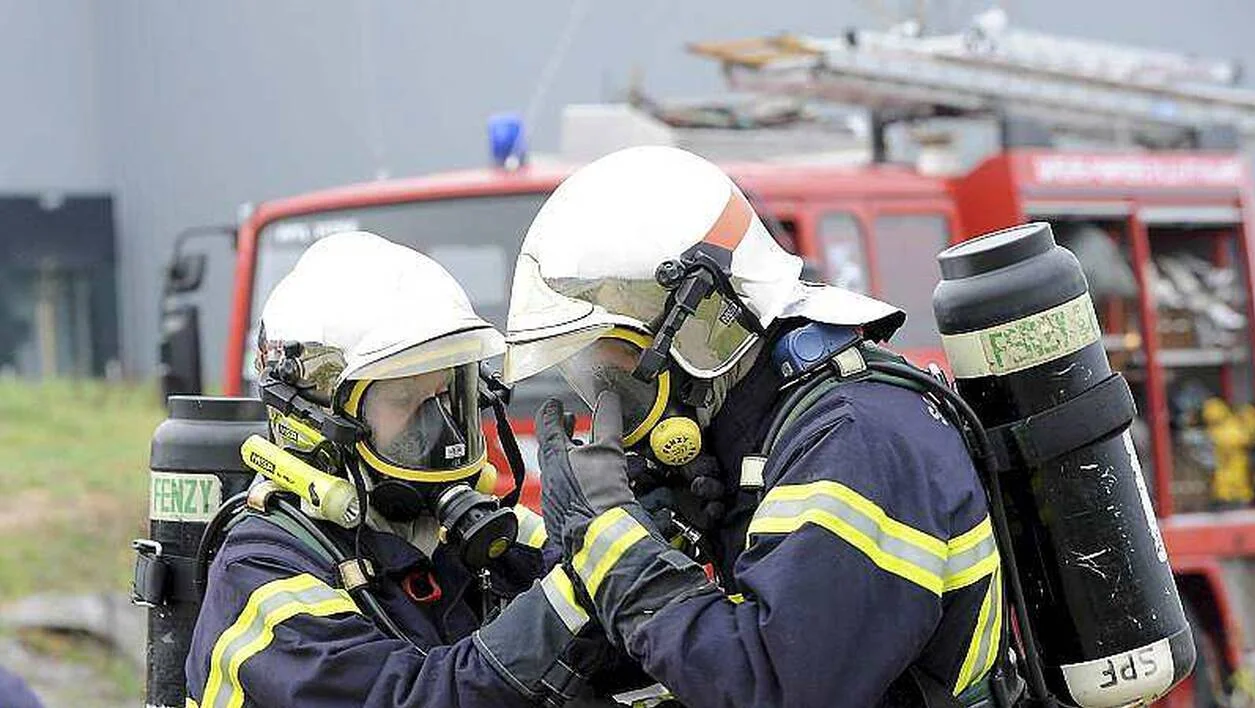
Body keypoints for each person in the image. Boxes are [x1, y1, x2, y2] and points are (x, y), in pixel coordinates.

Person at [502, 146, 1004, 707]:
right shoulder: (752, 433)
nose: (605, 399)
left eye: (612, 359)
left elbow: (775, 687)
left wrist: (615, 544)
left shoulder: (855, 442)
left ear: (703, 325)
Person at [185, 231, 613, 708]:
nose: (443, 429)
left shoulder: (457, 530)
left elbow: (600, 596)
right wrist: (567, 596)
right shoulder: (265, 575)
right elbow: (408, 697)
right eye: (406, 399)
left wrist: (631, 536)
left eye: (449, 396)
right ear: (316, 419)